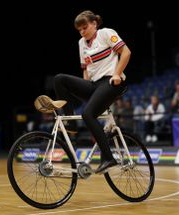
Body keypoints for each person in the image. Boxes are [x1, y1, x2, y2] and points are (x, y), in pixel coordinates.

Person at [54, 10, 131, 173]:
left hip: (112, 82)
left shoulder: (105, 33)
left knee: (88, 114)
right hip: (94, 85)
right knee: (59, 79)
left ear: (94, 24)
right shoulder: (81, 43)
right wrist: (84, 86)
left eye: (85, 27)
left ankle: (109, 158)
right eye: (79, 30)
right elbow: (86, 70)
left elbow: (126, 52)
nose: (82, 32)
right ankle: (71, 124)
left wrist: (117, 73)